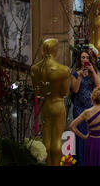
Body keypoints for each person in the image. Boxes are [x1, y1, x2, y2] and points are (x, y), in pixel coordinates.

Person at [31, 38, 70, 166]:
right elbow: (65, 92)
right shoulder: (63, 70)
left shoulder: (35, 69)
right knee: (57, 140)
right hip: (57, 104)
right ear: (55, 50)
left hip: (45, 105)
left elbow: (37, 92)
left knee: (46, 140)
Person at [71, 49, 100, 166]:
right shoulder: (74, 73)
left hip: (92, 108)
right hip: (79, 108)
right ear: (79, 59)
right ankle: (82, 162)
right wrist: (79, 76)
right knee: (81, 137)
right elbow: (75, 90)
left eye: (87, 58)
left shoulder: (94, 71)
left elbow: (98, 86)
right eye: (83, 58)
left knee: (93, 136)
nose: (85, 60)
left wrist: (92, 71)